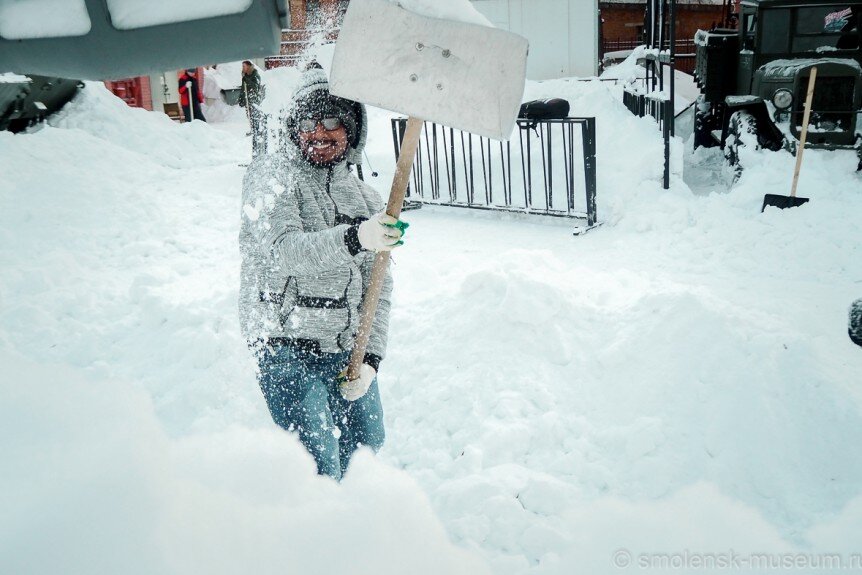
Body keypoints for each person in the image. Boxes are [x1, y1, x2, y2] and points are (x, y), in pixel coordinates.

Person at [238, 67, 408, 481]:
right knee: (317, 466)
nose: (319, 132)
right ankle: (312, 540)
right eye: (309, 121)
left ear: (350, 129)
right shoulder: (272, 178)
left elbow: (378, 286)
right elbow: (284, 254)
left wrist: (370, 358)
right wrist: (355, 238)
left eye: (331, 121)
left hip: (345, 349)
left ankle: (358, 535)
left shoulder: (366, 198)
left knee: (366, 453)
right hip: (285, 345)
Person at [238, 60, 266, 155]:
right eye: (242, 66)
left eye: (244, 66)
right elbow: (243, 89)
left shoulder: (255, 75)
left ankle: (256, 133)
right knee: (249, 116)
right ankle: (253, 130)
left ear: (249, 67)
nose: (243, 68)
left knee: (254, 118)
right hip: (247, 101)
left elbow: (255, 87)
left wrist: (246, 80)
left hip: (254, 102)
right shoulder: (244, 76)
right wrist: (241, 99)